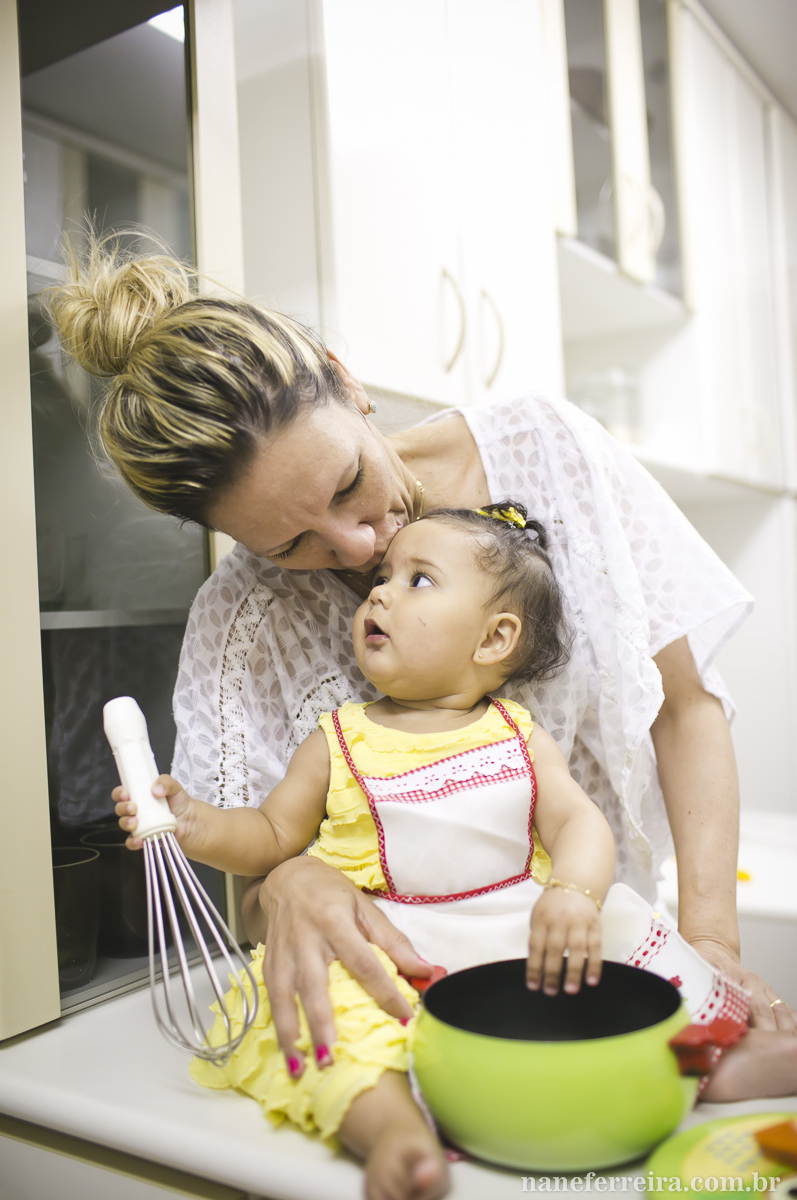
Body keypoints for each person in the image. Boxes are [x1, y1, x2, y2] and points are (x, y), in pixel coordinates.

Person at [47, 233, 796, 1068]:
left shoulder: (549, 452)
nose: (359, 543)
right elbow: (257, 874)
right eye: (292, 543)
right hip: (424, 1018)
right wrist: (287, 884)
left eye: (344, 485)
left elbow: (684, 708)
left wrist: (711, 942)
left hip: (600, 970)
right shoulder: (243, 623)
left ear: (347, 380)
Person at [114, 504, 795, 1200]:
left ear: (495, 638)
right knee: (325, 1011)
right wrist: (191, 821)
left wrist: (574, 893)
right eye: (384, 576)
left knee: (622, 925)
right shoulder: (335, 740)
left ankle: (712, 1059)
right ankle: (391, 1127)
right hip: (395, 953)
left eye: (418, 580)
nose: (379, 591)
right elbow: (267, 837)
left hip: (522, 942)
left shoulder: (519, 734)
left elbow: (581, 826)